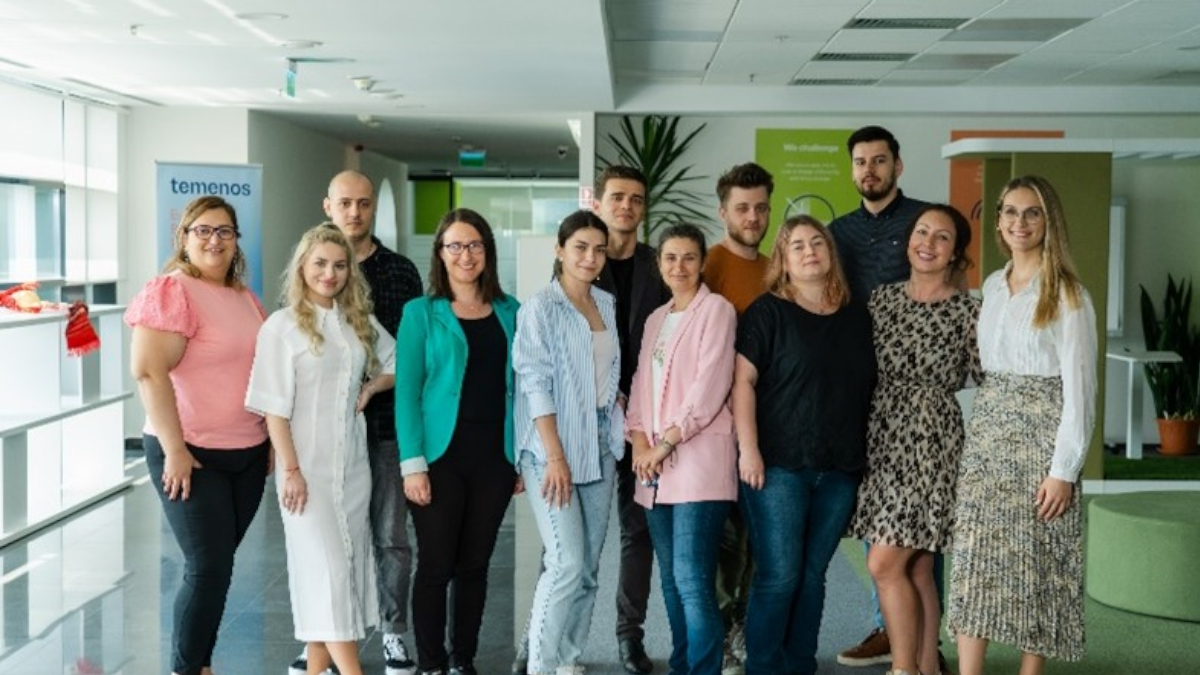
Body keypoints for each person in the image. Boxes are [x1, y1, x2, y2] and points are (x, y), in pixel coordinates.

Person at [948, 176, 1097, 675]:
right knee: (974, 557)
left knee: (1039, 558)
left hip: (1042, 439)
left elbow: (1080, 392)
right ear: (997, 222)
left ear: (1048, 221)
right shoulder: (992, 284)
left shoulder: (1070, 294)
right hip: (988, 433)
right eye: (1010, 212)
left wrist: (1065, 470)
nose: (1020, 222)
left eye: (1032, 213)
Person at [126, 195, 270, 675]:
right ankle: (186, 669)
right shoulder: (172, 290)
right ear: (183, 238)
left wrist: (268, 441)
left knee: (219, 569)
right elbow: (148, 371)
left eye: (224, 231)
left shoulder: (244, 297)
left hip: (246, 454)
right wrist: (175, 451)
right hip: (191, 454)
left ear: (236, 241)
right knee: (206, 567)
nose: (214, 240)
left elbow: (261, 373)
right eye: (202, 230)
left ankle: (201, 663)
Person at [245, 223, 396, 675]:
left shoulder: (356, 322)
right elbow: (273, 407)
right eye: (320, 264)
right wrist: (290, 470)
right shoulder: (282, 326)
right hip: (305, 471)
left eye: (339, 265)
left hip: (352, 469)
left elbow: (397, 360)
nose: (329, 274)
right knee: (329, 573)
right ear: (302, 268)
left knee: (338, 572)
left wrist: (371, 388)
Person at [733, 215, 876, 675]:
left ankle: (798, 665)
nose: (810, 251)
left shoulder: (857, 315)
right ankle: (763, 665)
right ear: (784, 260)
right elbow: (742, 384)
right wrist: (748, 450)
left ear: (831, 253)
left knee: (813, 575)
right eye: (798, 246)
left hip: (839, 468)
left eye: (818, 242)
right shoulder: (767, 312)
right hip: (778, 466)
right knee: (780, 575)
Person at [847, 204, 981, 675]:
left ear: (955, 254)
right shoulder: (881, 299)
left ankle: (902, 669)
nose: (928, 242)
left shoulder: (970, 309)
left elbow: (989, 378)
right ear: (908, 242)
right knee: (918, 566)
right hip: (882, 439)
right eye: (921, 231)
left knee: (885, 564)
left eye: (942, 237)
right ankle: (926, 667)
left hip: (932, 443)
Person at [828, 126, 941, 673]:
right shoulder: (838, 232)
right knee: (881, 516)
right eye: (860, 162)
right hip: (859, 391)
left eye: (879, 161)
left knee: (919, 536)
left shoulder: (923, 221)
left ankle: (922, 648)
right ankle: (888, 627)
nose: (868, 170)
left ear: (898, 165)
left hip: (915, 399)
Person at [396, 209, 522, 675]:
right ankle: (431, 664)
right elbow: (407, 391)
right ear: (440, 254)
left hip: (495, 457)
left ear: (486, 252)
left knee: (475, 565)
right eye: (455, 246)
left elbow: (524, 388)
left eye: (474, 245)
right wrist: (412, 463)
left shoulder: (512, 311)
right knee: (435, 563)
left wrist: (522, 458)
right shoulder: (421, 314)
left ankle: (461, 659)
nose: (465, 255)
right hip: (438, 457)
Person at [313, 170, 422, 675]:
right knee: (336, 539)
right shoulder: (314, 265)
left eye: (363, 203)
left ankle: (395, 633)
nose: (354, 213)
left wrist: (376, 385)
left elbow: (409, 353)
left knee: (390, 537)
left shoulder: (399, 271)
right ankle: (331, 639)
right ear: (328, 207)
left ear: (373, 206)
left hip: (385, 430)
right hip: (327, 436)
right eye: (345, 204)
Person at [512, 210, 624, 675]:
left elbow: (607, 369)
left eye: (599, 249)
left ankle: (569, 660)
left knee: (590, 567)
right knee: (565, 563)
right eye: (580, 247)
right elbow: (535, 381)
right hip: (549, 446)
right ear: (560, 250)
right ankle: (540, 664)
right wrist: (554, 456)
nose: (590, 257)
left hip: (599, 441)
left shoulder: (606, 302)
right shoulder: (540, 307)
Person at [626, 223, 738, 675]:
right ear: (660, 264)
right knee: (672, 583)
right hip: (652, 469)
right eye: (670, 258)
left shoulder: (717, 310)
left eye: (689, 257)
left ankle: (703, 669)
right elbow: (639, 386)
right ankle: (682, 666)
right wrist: (638, 439)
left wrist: (665, 442)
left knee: (693, 581)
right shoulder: (656, 318)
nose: (680, 266)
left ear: (702, 261)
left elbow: (709, 387)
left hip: (697, 465)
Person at [592, 166, 670, 675]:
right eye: (617, 197)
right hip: (589, 421)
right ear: (599, 202)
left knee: (636, 534)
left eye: (636, 200)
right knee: (570, 537)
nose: (627, 206)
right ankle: (541, 639)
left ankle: (629, 637)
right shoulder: (580, 259)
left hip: (642, 421)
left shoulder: (658, 266)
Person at [703, 162, 774, 675]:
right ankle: (723, 635)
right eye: (742, 208)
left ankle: (745, 626)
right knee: (725, 543)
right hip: (716, 430)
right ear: (723, 211)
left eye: (761, 207)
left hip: (771, 426)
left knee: (757, 539)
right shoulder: (707, 267)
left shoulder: (777, 269)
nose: (753, 217)